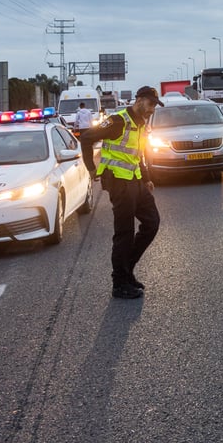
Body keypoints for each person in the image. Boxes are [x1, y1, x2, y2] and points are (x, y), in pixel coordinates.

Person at [79, 86, 163, 299]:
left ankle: (127, 271)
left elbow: (139, 152)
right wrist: (90, 168)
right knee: (124, 233)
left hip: (135, 181)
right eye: (151, 104)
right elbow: (87, 137)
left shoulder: (141, 124)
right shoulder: (118, 121)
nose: (153, 109)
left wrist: (146, 178)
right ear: (140, 100)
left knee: (152, 223)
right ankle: (119, 283)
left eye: (155, 105)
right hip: (118, 183)